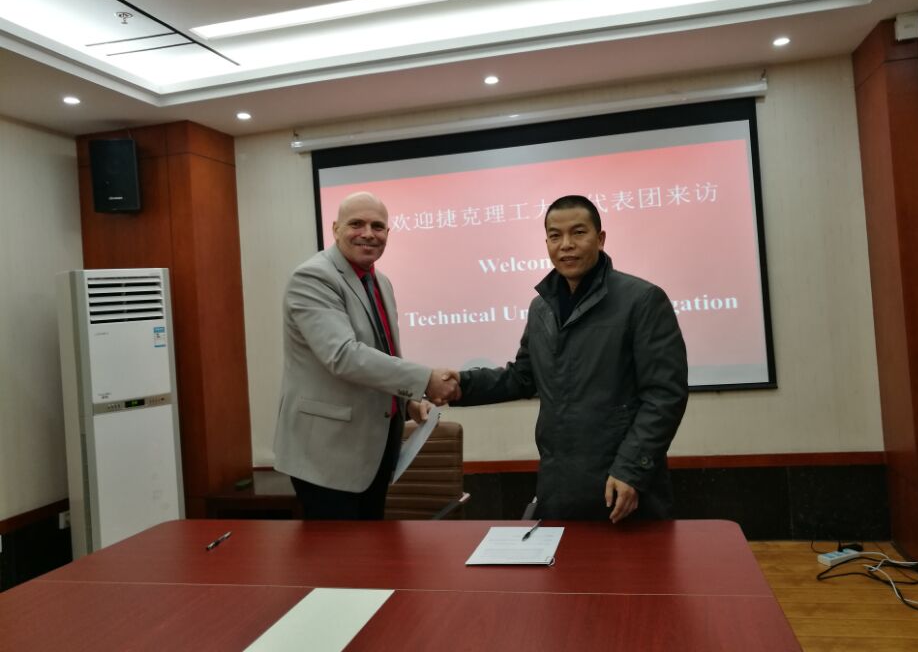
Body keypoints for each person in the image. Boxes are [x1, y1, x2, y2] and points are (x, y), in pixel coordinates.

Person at [452, 195, 688, 523]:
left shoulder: (642, 300)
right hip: (559, 486)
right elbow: (522, 377)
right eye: (555, 236)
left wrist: (632, 470)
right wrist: (458, 385)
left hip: (622, 485)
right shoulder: (542, 308)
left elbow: (664, 396)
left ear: (600, 239)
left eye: (578, 233)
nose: (566, 245)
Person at [273, 191, 459, 520]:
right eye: (356, 224)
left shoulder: (380, 281)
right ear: (335, 229)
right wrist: (424, 380)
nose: (368, 234)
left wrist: (407, 401)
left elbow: (381, 353)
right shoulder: (313, 277)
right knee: (339, 551)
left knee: (370, 546)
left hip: (374, 451)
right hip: (327, 455)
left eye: (378, 226)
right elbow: (343, 356)